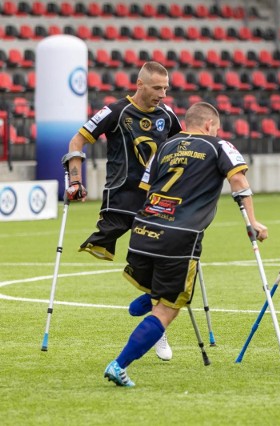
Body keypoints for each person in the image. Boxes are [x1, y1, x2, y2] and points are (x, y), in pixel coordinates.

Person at [104, 102, 268, 387]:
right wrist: (252, 222)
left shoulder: (164, 147)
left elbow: (144, 188)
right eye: (215, 127)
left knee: (158, 293)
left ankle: (149, 296)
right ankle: (119, 365)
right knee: (168, 308)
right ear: (208, 125)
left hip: (143, 229)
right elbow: (239, 180)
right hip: (179, 237)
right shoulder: (219, 146)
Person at [63, 61, 182, 360]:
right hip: (121, 199)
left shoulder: (167, 115)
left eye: (166, 88)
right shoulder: (114, 112)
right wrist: (75, 180)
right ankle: (154, 302)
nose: (163, 94)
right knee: (126, 253)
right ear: (139, 84)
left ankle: (157, 321)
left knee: (162, 257)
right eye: (157, 88)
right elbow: (77, 140)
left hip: (158, 199)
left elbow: (184, 143)